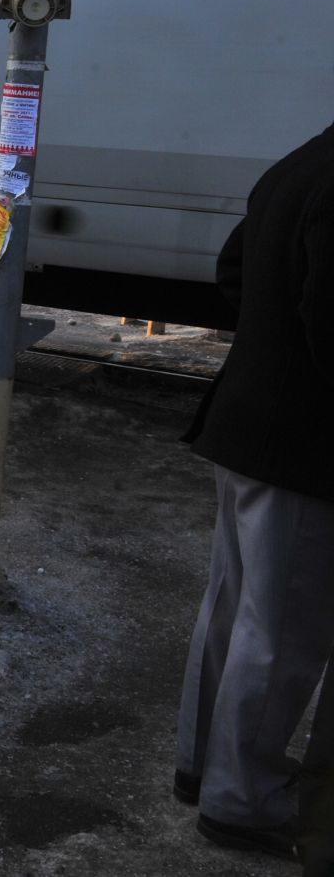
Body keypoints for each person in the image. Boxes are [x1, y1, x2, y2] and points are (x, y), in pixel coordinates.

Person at [175, 119, 334, 860]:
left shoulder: (298, 163)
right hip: (302, 442)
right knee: (283, 630)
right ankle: (244, 799)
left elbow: (234, 271)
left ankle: (205, 764)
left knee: (233, 607)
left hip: (244, 423)